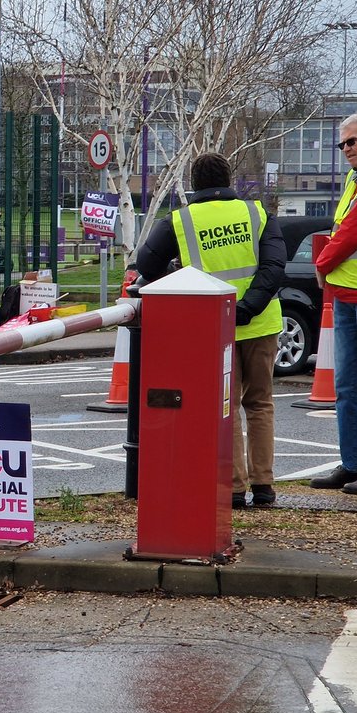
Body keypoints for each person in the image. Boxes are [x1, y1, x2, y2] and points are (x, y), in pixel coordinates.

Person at [136, 152, 284, 509]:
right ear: (229, 179)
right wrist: (247, 308)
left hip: (212, 325)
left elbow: (146, 264)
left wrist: (180, 283)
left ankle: (233, 488)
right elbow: (274, 267)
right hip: (261, 323)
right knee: (261, 404)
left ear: (194, 183)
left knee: (226, 406)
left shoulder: (180, 220)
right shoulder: (257, 213)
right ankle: (263, 486)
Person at [311, 111, 357, 494]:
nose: (346, 148)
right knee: (347, 386)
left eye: (352, 141)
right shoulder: (356, 179)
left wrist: (321, 262)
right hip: (346, 296)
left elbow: (353, 231)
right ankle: (353, 464)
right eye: (342, 143)